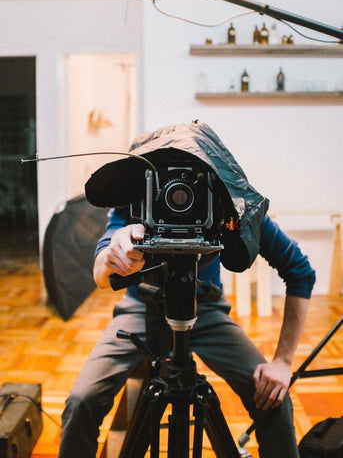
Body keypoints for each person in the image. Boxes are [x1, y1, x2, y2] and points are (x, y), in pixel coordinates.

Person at [58, 126, 316, 458]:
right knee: (81, 402)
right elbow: (99, 275)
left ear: (212, 179)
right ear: (150, 178)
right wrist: (115, 258)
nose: (177, 193)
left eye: (189, 178)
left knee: (275, 402)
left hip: (205, 309)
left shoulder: (231, 205)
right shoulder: (137, 197)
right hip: (141, 308)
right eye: (167, 179)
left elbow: (300, 272)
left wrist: (282, 361)